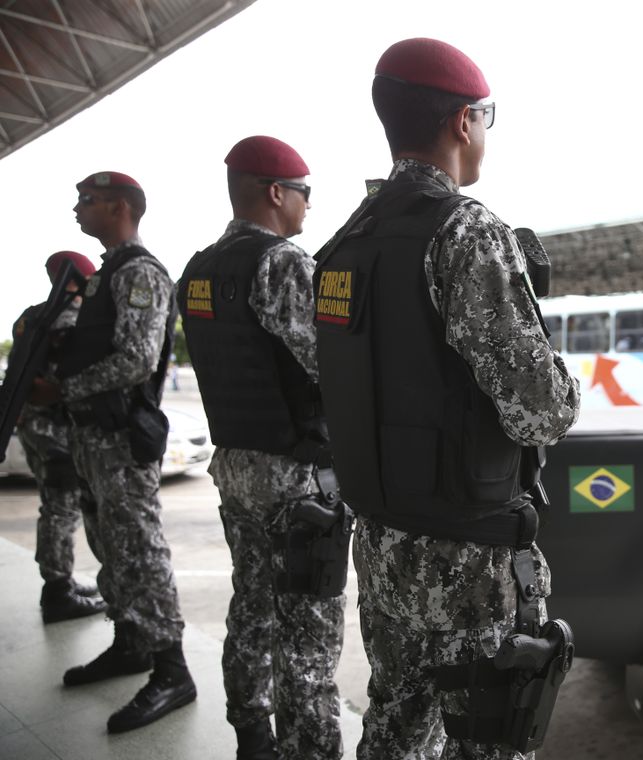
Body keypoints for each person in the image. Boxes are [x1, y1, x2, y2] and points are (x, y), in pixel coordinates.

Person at [313, 38, 581, 759]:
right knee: (488, 743)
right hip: (467, 561)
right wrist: (567, 381)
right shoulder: (466, 231)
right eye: (485, 118)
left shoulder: (342, 247)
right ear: (464, 122)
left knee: (396, 730)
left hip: (383, 547)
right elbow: (539, 410)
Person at [177, 135, 345, 760]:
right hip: (295, 475)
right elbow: (330, 366)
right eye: (305, 194)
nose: (308, 207)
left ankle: (252, 733)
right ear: (276, 192)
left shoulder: (197, 269)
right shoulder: (282, 263)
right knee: (308, 630)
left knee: (251, 601)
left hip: (235, 466)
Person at [42, 171, 195, 733]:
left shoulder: (139, 273)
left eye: (88, 201)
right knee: (111, 547)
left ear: (121, 207)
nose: (77, 210)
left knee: (140, 551)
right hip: (92, 437)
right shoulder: (107, 275)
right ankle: (131, 643)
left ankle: (172, 669)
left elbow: (135, 359)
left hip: (120, 437)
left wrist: (63, 389)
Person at [13, 251, 107, 623]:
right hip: (57, 430)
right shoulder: (73, 317)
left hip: (34, 426)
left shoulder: (33, 315)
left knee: (53, 505)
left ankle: (60, 583)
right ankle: (57, 592)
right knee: (62, 509)